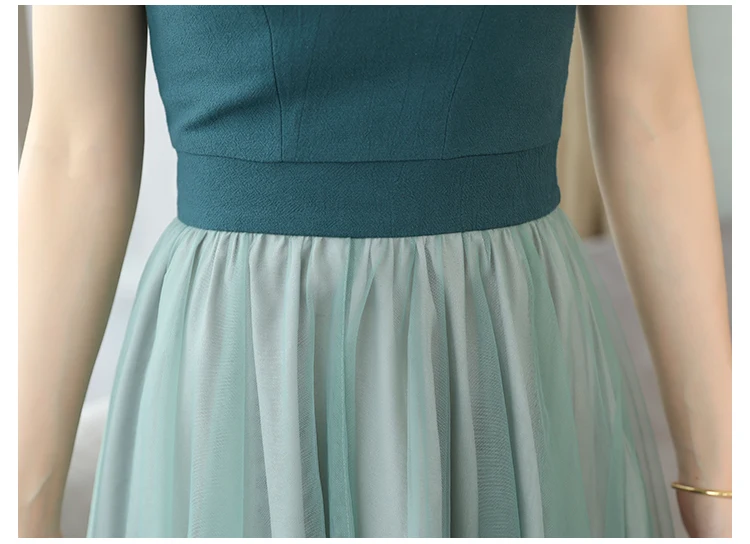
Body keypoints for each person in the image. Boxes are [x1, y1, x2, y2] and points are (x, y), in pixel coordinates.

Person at [19, 5, 731, 538]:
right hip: (246, 368)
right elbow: (73, 149)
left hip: (501, 353)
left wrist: (722, 483)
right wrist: (23, 505)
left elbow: (653, 110)